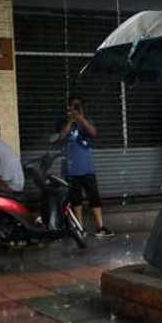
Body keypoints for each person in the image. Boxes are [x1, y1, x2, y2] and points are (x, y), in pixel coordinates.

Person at [55, 96, 113, 238]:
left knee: (94, 197)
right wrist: (71, 121)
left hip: (87, 168)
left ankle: (100, 227)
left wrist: (81, 119)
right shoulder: (64, 122)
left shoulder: (86, 121)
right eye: (72, 107)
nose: (75, 110)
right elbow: (61, 137)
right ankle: (80, 227)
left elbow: (94, 133)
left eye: (78, 106)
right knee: (76, 199)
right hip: (71, 169)